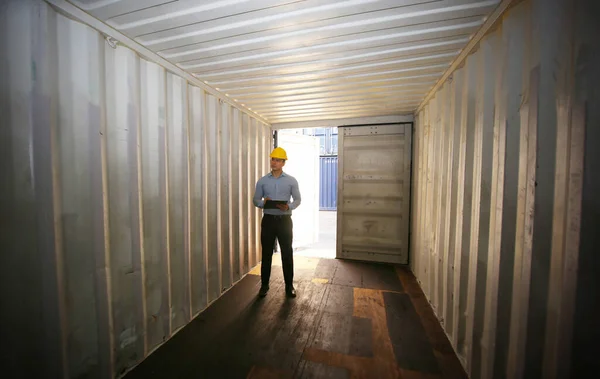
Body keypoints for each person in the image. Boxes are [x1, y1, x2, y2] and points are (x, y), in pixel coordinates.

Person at [253, 147, 301, 298]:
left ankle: (289, 286)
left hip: (284, 221)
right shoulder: (262, 181)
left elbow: (298, 199)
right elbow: (255, 200)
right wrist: (263, 202)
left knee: (287, 253)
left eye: (278, 160)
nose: (274, 162)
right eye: (273, 159)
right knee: (266, 254)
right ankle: (264, 285)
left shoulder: (291, 181)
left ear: (283, 163)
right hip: (268, 221)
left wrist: (289, 206)